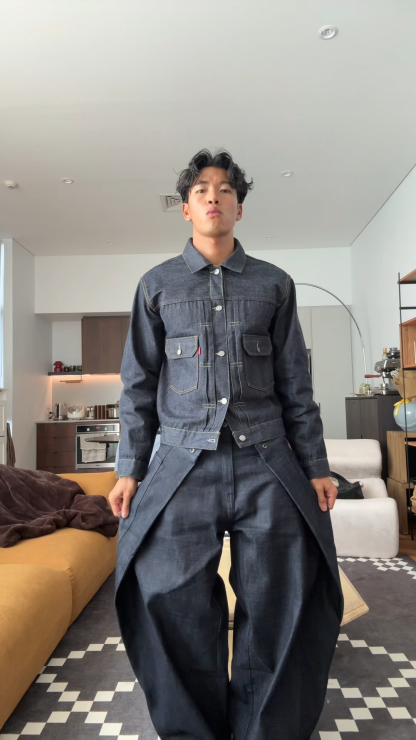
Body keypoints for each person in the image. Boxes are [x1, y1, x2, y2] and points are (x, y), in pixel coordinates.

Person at [109, 148, 344, 740]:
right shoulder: (156, 285)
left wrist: (316, 464)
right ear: (186, 208)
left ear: (240, 207)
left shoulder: (274, 284)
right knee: (171, 601)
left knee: (279, 603)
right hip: (181, 465)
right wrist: (129, 468)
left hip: (268, 462)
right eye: (202, 190)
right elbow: (138, 385)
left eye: (226, 190)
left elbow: (296, 383)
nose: (214, 196)